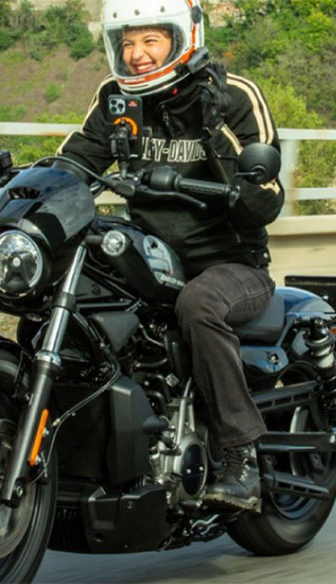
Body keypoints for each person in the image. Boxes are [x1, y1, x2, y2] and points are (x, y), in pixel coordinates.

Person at [51, 0, 284, 512]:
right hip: (150, 261)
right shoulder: (116, 99)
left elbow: (264, 203)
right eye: (127, 43)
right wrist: (7, 180)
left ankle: (240, 457)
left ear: (183, 39)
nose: (136, 55)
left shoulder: (233, 96)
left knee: (199, 304)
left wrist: (216, 133)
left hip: (229, 265)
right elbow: (74, 162)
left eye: (150, 40)